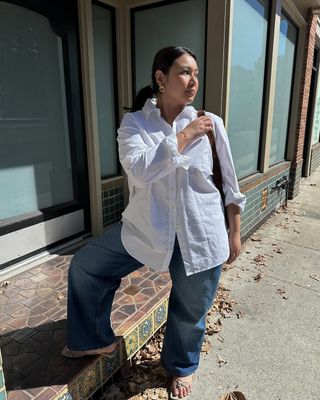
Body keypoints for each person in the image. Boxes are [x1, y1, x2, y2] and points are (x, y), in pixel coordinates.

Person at [62, 46, 246, 400]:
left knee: (189, 310)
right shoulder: (135, 123)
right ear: (160, 79)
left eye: (195, 72)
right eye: (184, 72)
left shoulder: (213, 123)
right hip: (146, 230)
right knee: (87, 266)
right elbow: (140, 171)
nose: (193, 80)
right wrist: (186, 134)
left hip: (201, 233)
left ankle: (181, 367)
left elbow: (229, 184)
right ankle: (92, 338)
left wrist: (234, 231)